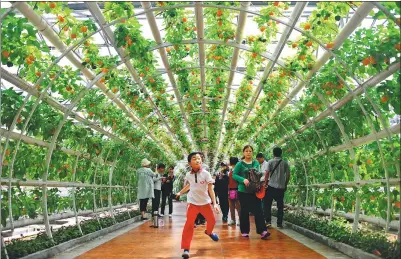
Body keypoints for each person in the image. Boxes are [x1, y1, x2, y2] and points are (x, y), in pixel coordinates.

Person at [176, 152, 220, 259]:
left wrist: (215, 204)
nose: (197, 160)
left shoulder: (206, 174)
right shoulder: (188, 175)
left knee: (212, 221)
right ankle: (186, 249)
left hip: (205, 202)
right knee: (189, 224)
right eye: (194, 158)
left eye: (199, 158)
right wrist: (180, 193)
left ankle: (209, 232)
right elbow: (189, 185)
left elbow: (210, 189)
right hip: (192, 203)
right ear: (190, 163)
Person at [233, 145, 270, 240]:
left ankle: (262, 231)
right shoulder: (239, 164)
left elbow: (257, 173)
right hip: (243, 190)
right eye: (246, 151)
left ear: (252, 152)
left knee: (258, 210)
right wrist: (243, 179)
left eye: (250, 151)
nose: (248, 152)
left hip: (254, 190)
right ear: (243, 153)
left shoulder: (255, 162)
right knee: (244, 210)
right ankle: (245, 231)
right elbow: (234, 175)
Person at [263, 147, 290, 229]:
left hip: (271, 187)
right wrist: (285, 184)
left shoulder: (270, 162)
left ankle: (268, 222)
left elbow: (267, 173)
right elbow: (288, 175)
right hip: (281, 188)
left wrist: (265, 183)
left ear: (273, 153)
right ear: (281, 153)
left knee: (267, 204)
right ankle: (279, 223)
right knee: (280, 206)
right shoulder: (285, 163)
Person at [227, 157, 241, 226]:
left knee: (237, 205)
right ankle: (233, 219)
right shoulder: (231, 170)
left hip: (236, 189)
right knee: (232, 205)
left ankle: (238, 219)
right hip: (232, 189)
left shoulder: (237, 170)